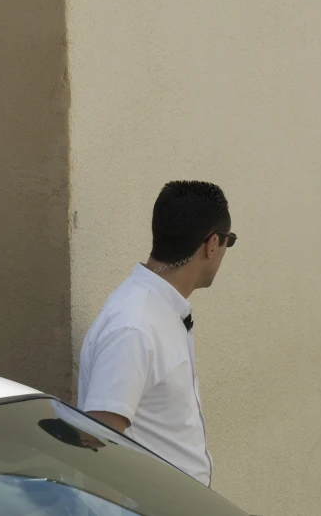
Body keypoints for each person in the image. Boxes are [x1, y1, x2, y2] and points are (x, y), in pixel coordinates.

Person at [77, 181, 236, 487]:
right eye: (229, 241)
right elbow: (94, 443)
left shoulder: (158, 309)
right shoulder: (134, 325)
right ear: (213, 243)